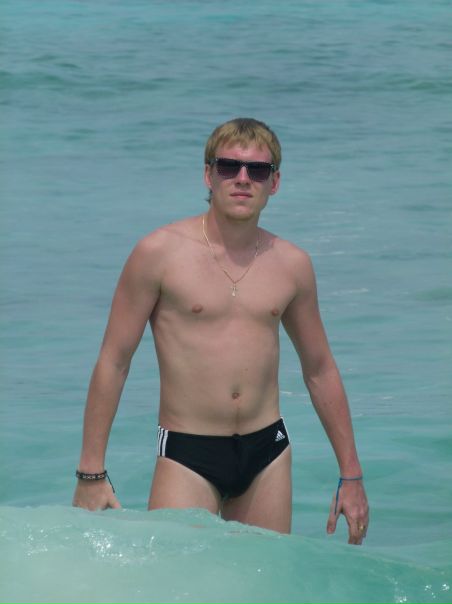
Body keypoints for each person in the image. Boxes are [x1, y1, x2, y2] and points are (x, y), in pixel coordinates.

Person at [72, 117, 369, 544]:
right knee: (179, 576)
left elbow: (319, 369)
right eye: (229, 167)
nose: (243, 179)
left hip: (268, 452)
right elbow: (114, 361)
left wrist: (351, 475)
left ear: (274, 182)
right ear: (208, 175)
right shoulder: (159, 253)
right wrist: (91, 472)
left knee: (263, 578)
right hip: (187, 453)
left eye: (258, 170)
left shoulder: (292, 264)